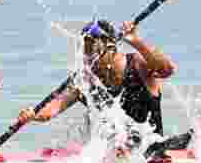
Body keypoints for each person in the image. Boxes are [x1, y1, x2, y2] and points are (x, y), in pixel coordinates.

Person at [14, 19, 175, 145]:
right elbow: (55, 107)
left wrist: (136, 42)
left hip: (151, 150)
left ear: (110, 47)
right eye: (86, 50)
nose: (88, 58)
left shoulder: (138, 63)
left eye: (92, 50)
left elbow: (166, 70)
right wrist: (33, 115)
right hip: (116, 155)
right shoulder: (85, 81)